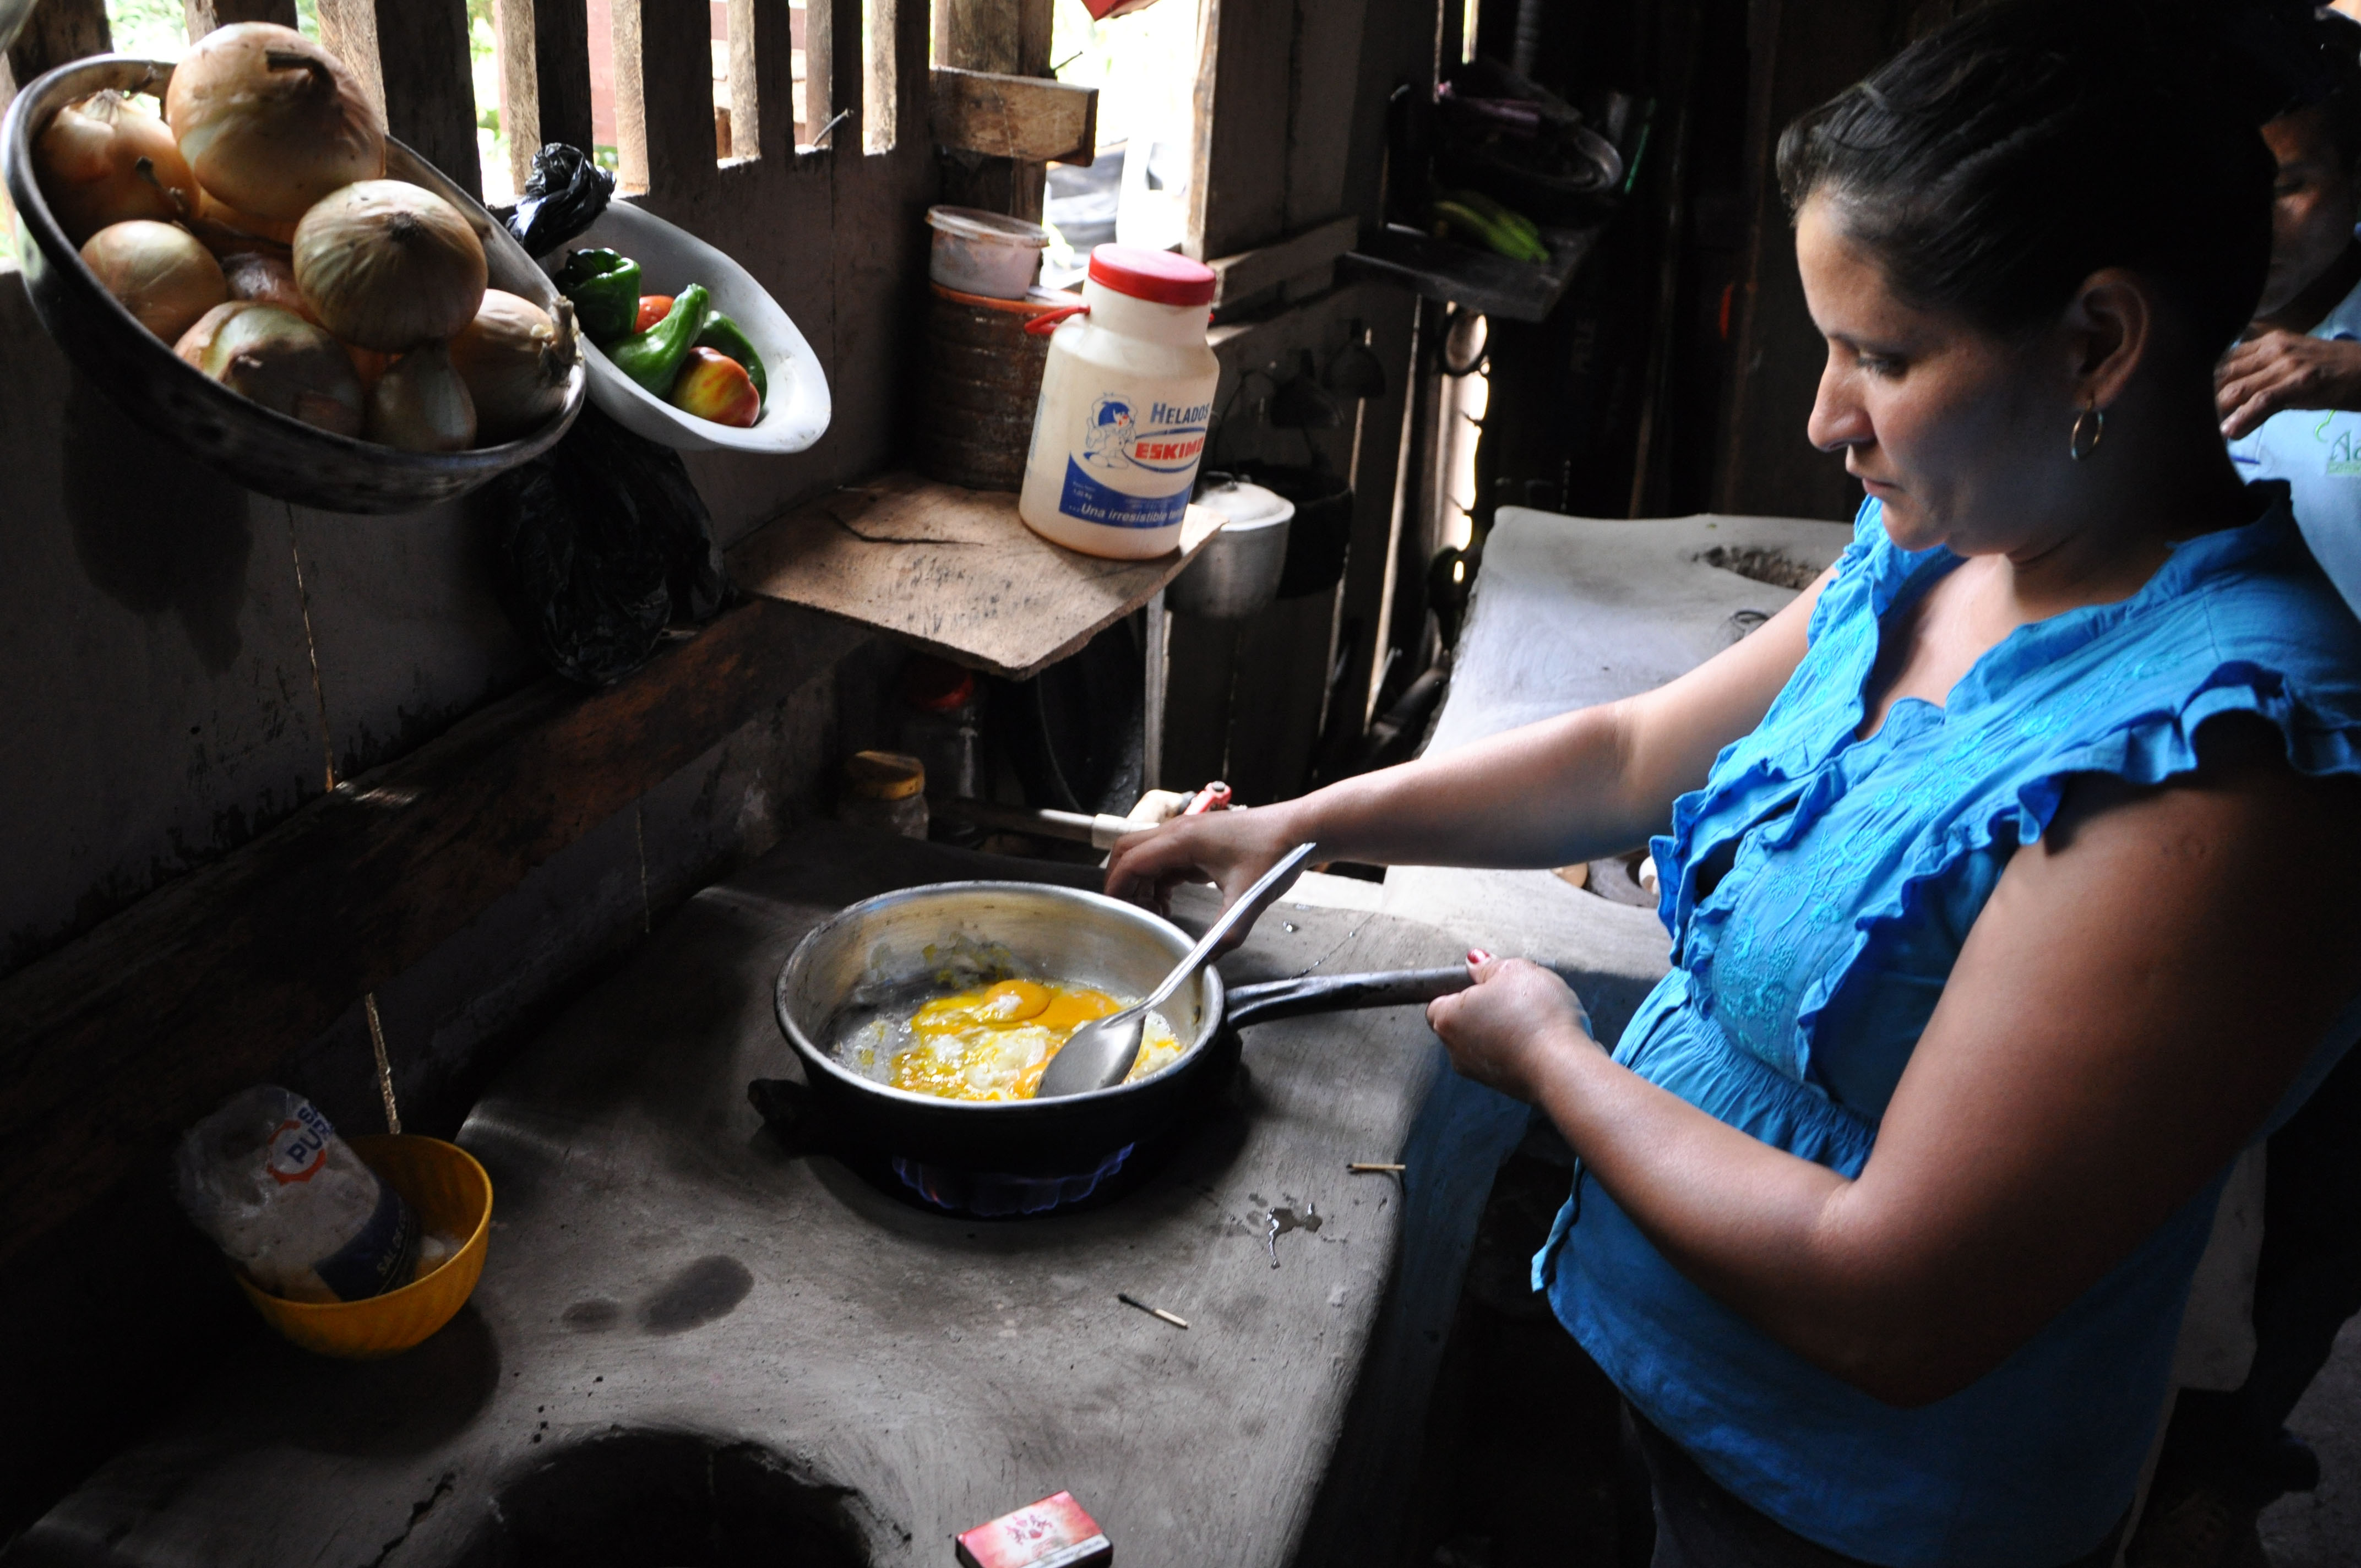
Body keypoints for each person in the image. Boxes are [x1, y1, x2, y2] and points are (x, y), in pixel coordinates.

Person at [1105, 4, 2361, 1565]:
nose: (1826, 421)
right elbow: (1631, 757)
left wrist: (1561, 1058)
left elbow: (1894, 1300)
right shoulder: (1951, 549)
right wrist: (1299, 829)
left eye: (1880, 358)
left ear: (2099, 341)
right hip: (1673, 1384)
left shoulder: (2224, 770)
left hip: (1861, 1514)